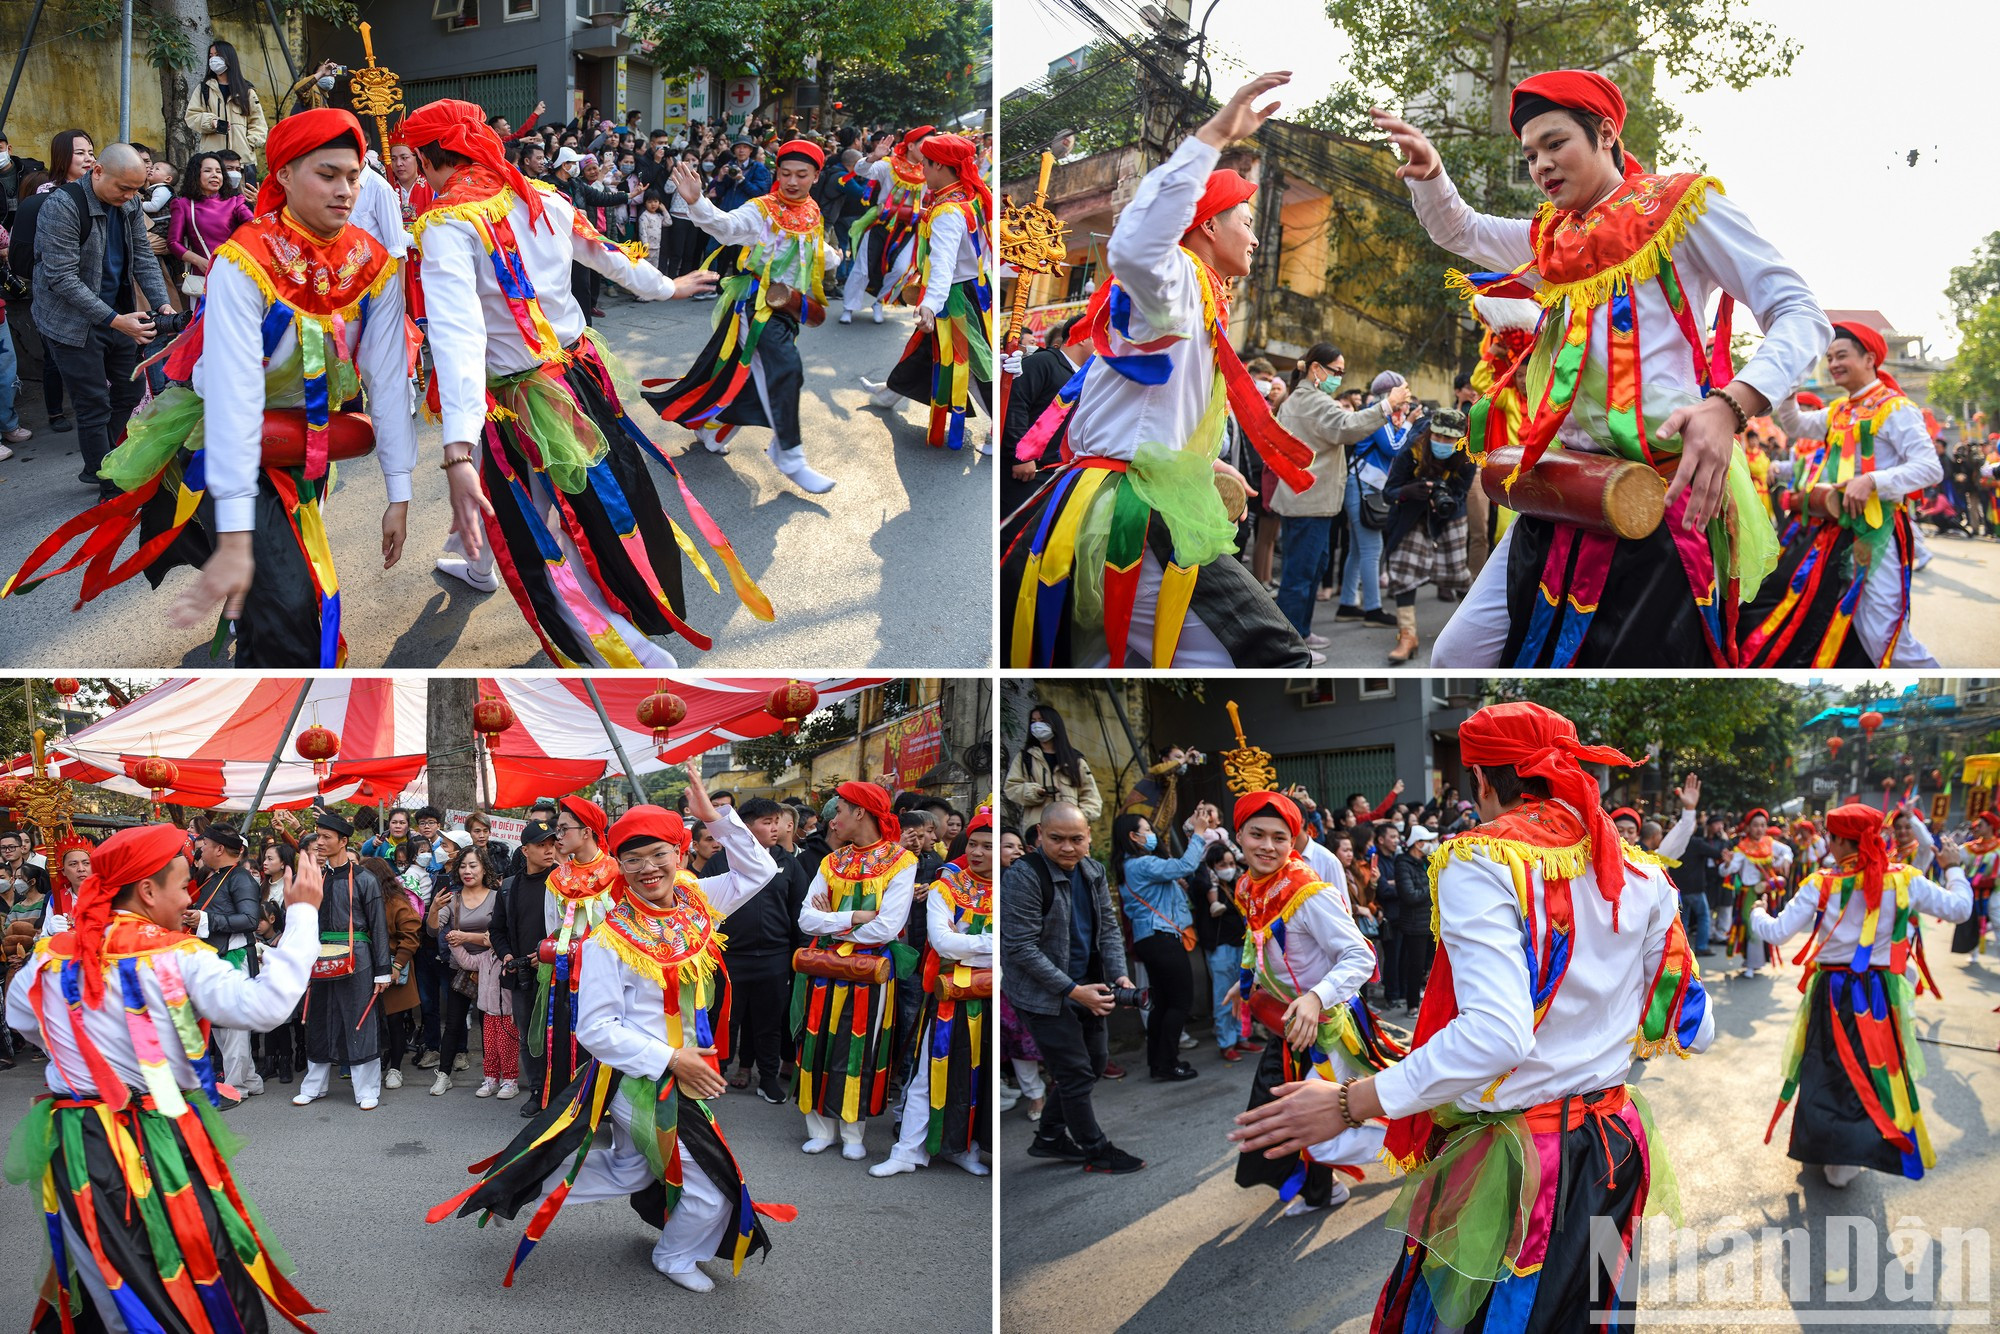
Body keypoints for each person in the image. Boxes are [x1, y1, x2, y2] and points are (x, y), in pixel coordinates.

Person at [1231, 701, 1715, 1329]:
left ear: (1483, 782)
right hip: (1614, 1144)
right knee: (1586, 1315)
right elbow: (1695, 1028)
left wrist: (1350, 1102)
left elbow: (1496, 1035)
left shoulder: (1482, 859)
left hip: (1520, 1163)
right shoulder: (1642, 871)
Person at [1371, 71, 1828, 667]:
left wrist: (1730, 403)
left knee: (1643, 665)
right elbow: (1461, 230)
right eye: (1530, 153)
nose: (1540, 165)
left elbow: (1800, 313)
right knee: (1456, 654)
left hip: (1662, 493)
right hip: (1564, 488)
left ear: (1607, 133)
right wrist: (1431, 173)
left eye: (1555, 144)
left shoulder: (1682, 207)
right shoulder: (1552, 239)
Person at [3, 112, 414, 667]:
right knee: (290, 603)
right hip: (229, 438)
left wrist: (399, 490)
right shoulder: (247, 260)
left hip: (302, 442)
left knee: (279, 588)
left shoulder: (373, 264)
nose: (345, 191)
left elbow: (387, 379)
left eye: (353, 176)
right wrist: (240, 538)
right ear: (285, 176)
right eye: (327, 174)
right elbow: (234, 394)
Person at [397, 99, 757, 669]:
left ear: (425, 155)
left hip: (517, 394)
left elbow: (458, 336)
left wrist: (456, 445)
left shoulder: (447, 222)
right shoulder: (541, 195)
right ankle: (477, 562)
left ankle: (611, 639)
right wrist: (666, 287)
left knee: (547, 517)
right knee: (548, 498)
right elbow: (608, 255)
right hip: (575, 370)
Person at [427, 761, 793, 1293]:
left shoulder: (696, 905)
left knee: (631, 1169)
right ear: (618, 863)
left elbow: (760, 873)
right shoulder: (608, 939)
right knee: (712, 1189)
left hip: (685, 1071)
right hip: (638, 1079)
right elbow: (595, 1029)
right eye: (634, 858)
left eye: (659, 855)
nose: (648, 868)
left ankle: (520, 1182)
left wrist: (717, 819)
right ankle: (673, 1255)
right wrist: (673, 1059)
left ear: (680, 855)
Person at [1003, 74, 1319, 669]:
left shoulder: (1199, 297)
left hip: (1131, 497)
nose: (1255, 238)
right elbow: (1133, 246)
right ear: (1207, 226)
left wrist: (1203, 459)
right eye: (1245, 222)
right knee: (1272, 656)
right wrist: (1214, 137)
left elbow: (1145, 411)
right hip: (1134, 512)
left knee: (1103, 656)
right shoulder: (1173, 281)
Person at [5, 824, 323, 1330]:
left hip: (77, 1142)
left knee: (104, 1266)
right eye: (181, 887)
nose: (187, 899)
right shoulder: (177, 956)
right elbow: (266, 1005)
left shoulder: (49, 957)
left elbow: (24, 1017)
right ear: (148, 891)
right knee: (192, 1263)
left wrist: (80, 1057)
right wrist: (304, 911)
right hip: (156, 1138)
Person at [1752, 804, 1972, 1185]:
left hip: (1831, 996)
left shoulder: (1821, 884)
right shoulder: (1903, 879)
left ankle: (1826, 1149)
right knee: (1870, 1075)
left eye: (1830, 837)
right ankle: (1848, 1159)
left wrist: (1757, 910)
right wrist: (1953, 867)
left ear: (1838, 840)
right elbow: (1959, 908)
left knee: (1825, 1070)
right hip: (1877, 998)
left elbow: (1775, 933)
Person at [1227, 789, 1400, 1215]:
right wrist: (1245, 983)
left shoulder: (1308, 891)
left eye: (1279, 837)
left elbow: (1361, 955)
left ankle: (1423, 1151)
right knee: (1279, 1116)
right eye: (1257, 835)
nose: (1267, 846)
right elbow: (1258, 942)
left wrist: (1314, 997)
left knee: (1325, 1129)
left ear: (1294, 840)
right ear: (1239, 836)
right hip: (1288, 1024)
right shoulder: (1249, 885)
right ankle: (1324, 1191)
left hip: (1327, 1026)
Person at [642, 140, 840, 493]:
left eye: (801, 175)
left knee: (748, 374)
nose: (792, 182)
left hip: (787, 308)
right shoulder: (762, 209)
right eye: (785, 173)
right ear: (776, 173)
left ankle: (712, 428)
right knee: (785, 369)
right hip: (757, 306)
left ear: (815, 176)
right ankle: (789, 455)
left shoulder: (811, 211)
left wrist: (832, 257)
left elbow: (811, 250)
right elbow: (725, 226)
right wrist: (697, 201)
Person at [1742, 322, 1943, 666]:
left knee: (1881, 629)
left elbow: (1929, 468)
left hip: (1875, 532)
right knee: (1839, 615)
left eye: (1842, 355)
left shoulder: (1895, 408)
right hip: (1835, 529)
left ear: (1869, 358)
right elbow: (1796, 426)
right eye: (1829, 356)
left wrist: (1872, 481)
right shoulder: (1840, 410)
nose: (1833, 363)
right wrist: (1790, 382)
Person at [1000, 800, 1144, 1173]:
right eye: (1057, 838)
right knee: (1075, 1071)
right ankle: (1096, 1149)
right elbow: (1020, 948)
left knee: (1094, 1063)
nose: (1067, 847)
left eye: (1076, 839)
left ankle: (1049, 1136)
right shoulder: (1024, 876)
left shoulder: (1092, 870)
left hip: (1089, 985)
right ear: (1039, 837)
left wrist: (1120, 975)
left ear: (1088, 838)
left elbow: (1109, 929)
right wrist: (1071, 990)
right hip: (1042, 995)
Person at [24, 142, 174, 499]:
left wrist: (162, 304)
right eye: (123, 188)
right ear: (98, 172)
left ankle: (114, 458)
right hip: (70, 322)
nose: (130, 196)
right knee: (93, 403)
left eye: (137, 189)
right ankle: (107, 480)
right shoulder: (61, 206)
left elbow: (143, 259)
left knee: (130, 390)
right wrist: (114, 319)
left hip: (119, 313)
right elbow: (61, 279)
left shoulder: (131, 202)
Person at [793, 781, 918, 1158]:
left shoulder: (901, 861)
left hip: (868, 970)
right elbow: (804, 919)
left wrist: (830, 917)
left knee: (859, 1046)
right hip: (825, 966)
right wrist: (851, 916)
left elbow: (888, 926)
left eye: (840, 812)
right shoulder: (831, 861)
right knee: (817, 1039)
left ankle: (852, 1132)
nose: (833, 822)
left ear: (860, 812)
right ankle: (819, 1127)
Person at [871, 808, 995, 1178]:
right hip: (947, 996)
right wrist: (990, 944)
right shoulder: (946, 885)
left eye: (987, 847)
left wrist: (969, 942)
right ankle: (907, 1150)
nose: (977, 853)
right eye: (972, 844)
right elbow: (942, 942)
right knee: (927, 1072)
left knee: (976, 1075)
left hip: (990, 996)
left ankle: (962, 1147)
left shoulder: (1010, 888)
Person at [861, 133, 992, 450]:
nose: (923, 171)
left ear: (940, 166)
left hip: (956, 295)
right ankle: (889, 393)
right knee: (925, 347)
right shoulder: (970, 195)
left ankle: (1002, 431)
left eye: (926, 165)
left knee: (973, 363)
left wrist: (930, 304)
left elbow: (944, 263)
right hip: (978, 288)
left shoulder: (949, 211)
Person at [1270, 342, 1401, 641]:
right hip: (1308, 503)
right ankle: (1290, 644)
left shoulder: (1304, 398)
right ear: (1316, 369)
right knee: (1299, 577)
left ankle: (1301, 631)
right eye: (1337, 372)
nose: (1339, 378)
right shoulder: (1312, 401)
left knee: (1312, 571)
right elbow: (1348, 426)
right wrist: (1386, 405)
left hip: (1311, 501)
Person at [1113, 806, 1223, 1081]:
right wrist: (1198, 834)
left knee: (1162, 1003)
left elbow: (1178, 877)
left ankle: (1158, 1063)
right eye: (1147, 830)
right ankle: (1170, 1062)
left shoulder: (1131, 866)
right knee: (1179, 1002)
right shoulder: (1142, 864)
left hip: (1151, 939)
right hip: (1161, 938)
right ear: (1133, 837)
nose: (1152, 835)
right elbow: (1185, 866)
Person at [293, 809, 391, 1110]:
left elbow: (378, 926)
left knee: (358, 1018)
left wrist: (383, 971)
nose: (319, 842)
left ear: (343, 840)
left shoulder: (365, 879)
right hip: (318, 956)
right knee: (319, 1019)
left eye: (326, 837)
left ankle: (366, 1089)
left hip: (358, 957)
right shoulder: (314, 878)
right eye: (318, 836)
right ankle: (315, 1085)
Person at [715, 797, 808, 1104]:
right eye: (767, 822)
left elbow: (799, 911)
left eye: (776, 822)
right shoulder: (721, 861)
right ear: (746, 826)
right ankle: (716, 1075)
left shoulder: (787, 861)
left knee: (770, 1023)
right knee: (726, 1020)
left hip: (774, 957)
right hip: (729, 957)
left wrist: (801, 954)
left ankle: (767, 1078)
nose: (775, 828)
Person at [1380, 409, 1476, 663]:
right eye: (1439, 436)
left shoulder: (1467, 456)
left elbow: (1461, 494)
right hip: (1411, 514)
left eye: (1449, 439)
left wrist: (1446, 501)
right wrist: (1409, 491)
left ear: (1460, 439)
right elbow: (1388, 493)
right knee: (1403, 569)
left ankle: (1473, 632)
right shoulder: (1412, 451)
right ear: (1430, 432)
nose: (1443, 443)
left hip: (1449, 516)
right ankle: (1407, 635)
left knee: (1457, 574)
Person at [430, 842, 518, 1098]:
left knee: (494, 1025)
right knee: (454, 1023)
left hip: (495, 967)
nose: (467, 871)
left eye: (473, 866)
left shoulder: (497, 896)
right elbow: (434, 930)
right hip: (462, 969)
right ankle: (444, 1075)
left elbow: (500, 935)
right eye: (463, 866)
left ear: (483, 869)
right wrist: (434, 909)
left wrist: (467, 936)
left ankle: (500, 1078)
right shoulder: (452, 899)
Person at [187, 819, 267, 1097]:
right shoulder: (213, 876)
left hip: (235, 957)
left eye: (205, 845)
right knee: (222, 1024)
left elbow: (249, 919)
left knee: (233, 1026)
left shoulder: (241, 878)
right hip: (215, 955)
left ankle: (236, 1086)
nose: (201, 851)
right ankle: (249, 1080)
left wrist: (206, 918)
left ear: (219, 849)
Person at [492, 818, 560, 1115]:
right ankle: (536, 1090)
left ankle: (562, 1091)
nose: (548, 851)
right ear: (524, 850)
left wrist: (549, 953)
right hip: (522, 975)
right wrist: (507, 955)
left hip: (559, 972)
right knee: (527, 1035)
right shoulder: (509, 887)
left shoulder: (564, 883)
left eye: (551, 845)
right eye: (540, 845)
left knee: (557, 1034)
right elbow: (497, 930)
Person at [361, 853, 424, 1091]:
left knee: (394, 1020)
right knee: (372, 1022)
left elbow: (410, 936)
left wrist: (397, 966)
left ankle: (396, 1068)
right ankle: (373, 1065)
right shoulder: (363, 900)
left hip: (393, 969)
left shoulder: (396, 902)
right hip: (366, 969)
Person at [1003, 702, 1103, 831]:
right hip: (1037, 828)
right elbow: (1011, 788)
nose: (1037, 725)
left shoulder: (1075, 760)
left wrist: (1077, 817)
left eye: (1042, 720)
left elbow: (1092, 798)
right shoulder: (1025, 757)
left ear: (1054, 724)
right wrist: (1035, 791)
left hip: (1071, 829)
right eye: (1033, 721)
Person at [167, 151, 253, 297]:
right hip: (202, 276)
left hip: (236, 273)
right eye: (207, 170)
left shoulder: (235, 201)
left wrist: (261, 204)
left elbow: (254, 227)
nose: (215, 175)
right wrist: (199, 261)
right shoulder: (183, 204)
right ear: (195, 174)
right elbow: (173, 243)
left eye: (219, 171)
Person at [1724, 807, 1792, 977]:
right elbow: (1729, 870)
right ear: (1748, 827)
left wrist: (1785, 860)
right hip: (1749, 894)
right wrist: (1726, 864)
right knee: (1751, 925)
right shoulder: (1742, 848)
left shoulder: (1770, 843)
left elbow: (1787, 851)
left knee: (1765, 924)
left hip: (1767, 892)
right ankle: (1752, 963)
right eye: (1755, 825)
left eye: (1762, 825)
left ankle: (1755, 962)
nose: (1759, 829)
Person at [184, 40, 270, 165]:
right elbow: (191, 116)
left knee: (241, 185)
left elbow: (258, 123)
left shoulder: (246, 91)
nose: (213, 59)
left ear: (228, 57)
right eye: (211, 56)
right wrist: (211, 121)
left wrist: (249, 143)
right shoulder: (204, 88)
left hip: (242, 160)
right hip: (212, 160)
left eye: (217, 55)